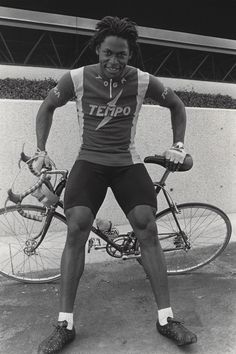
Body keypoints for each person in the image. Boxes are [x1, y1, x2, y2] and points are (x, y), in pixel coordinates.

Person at [35, 16, 197, 353]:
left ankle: (166, 318)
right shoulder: (77, 78)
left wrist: (179, 145)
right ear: (98, 49)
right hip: (89, 161)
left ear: (130, 55)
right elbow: (48, 106)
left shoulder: (142, 81)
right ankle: (65, 324)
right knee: (77, 227)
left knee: (146, 226)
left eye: (121, 55)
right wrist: (41, 150)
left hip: (127, 162)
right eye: (108, 53)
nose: (114, 61)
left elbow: (177, 106)